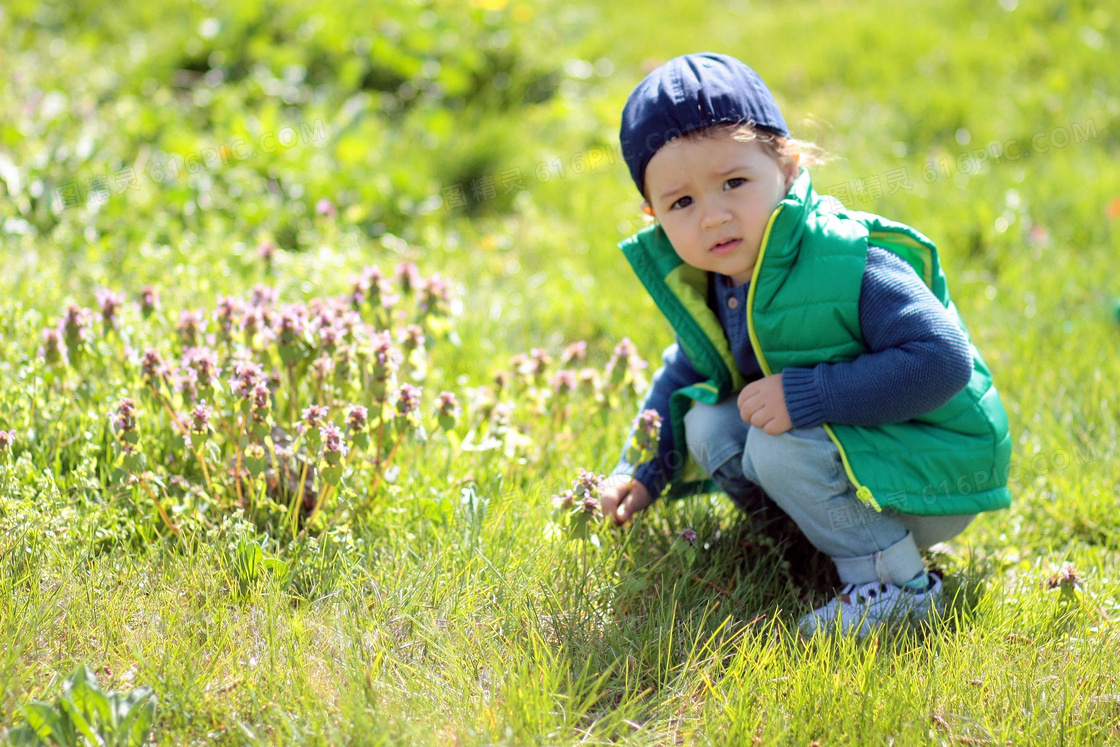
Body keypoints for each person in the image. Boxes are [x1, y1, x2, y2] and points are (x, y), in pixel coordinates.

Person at [600, 52, 1012, 638]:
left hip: (933, 467)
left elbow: (943, 360)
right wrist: (639, 471)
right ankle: (814, 547)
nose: (713, 217)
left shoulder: (847, 260)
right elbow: (682, 374)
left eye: (734, 183)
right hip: (860, 460)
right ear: (653, 214)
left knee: (779, 445)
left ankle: (898, 587)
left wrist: (810, 394)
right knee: (707, 421)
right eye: (682, 202)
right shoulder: (718, 280)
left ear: (788, 167)